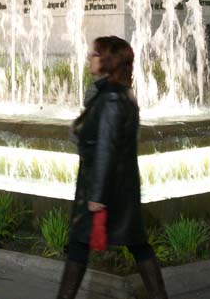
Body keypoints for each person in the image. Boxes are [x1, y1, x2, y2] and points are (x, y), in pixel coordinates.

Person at [56, 36, 167, 299]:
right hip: (118, 188)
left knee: (83, 247)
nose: (89, 58)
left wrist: (97, 196)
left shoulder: (112, 99)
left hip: (104, 189)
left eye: (95, 54)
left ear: (108, 60)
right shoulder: (115, 93)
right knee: (133, 245)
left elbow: (106, 148)